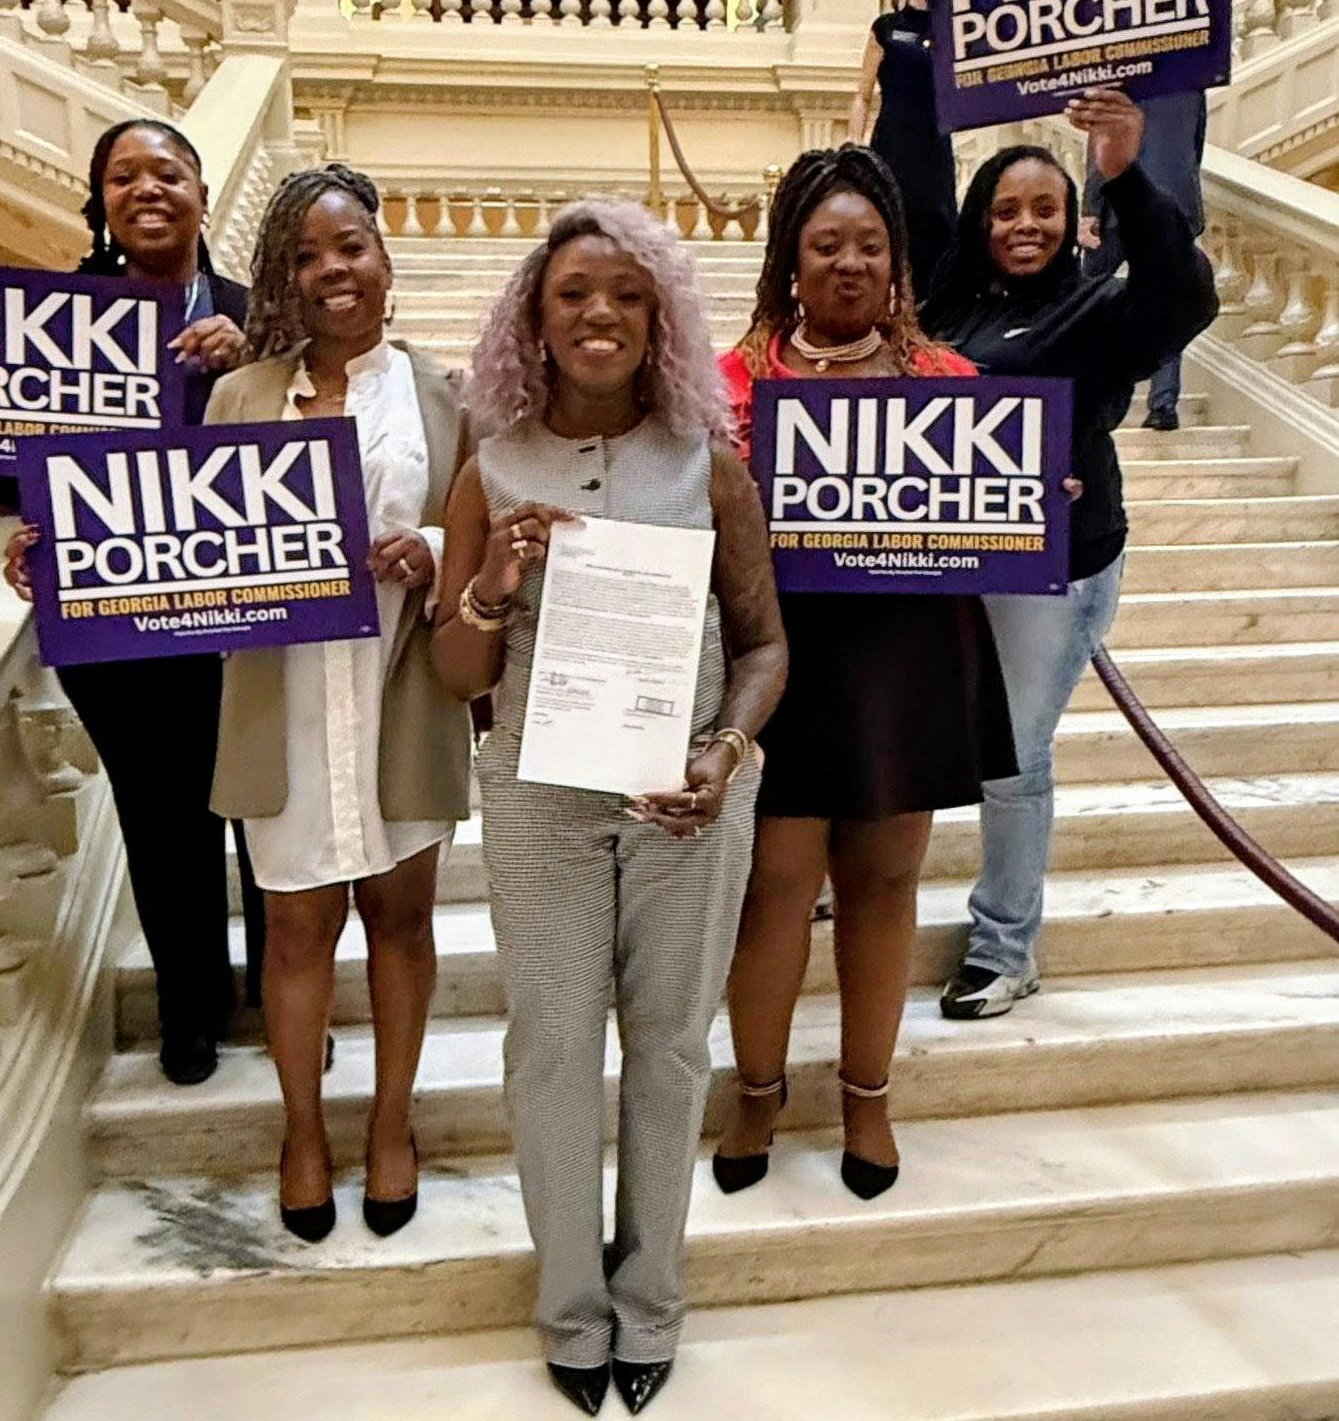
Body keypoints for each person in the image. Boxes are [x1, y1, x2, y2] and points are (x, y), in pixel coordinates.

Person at [432, 200, 787, 1417]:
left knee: (675, 1048)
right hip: (539, 801)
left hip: (684, 803)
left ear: (661, 321)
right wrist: (489, 584)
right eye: (576, 292)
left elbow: (765, 644)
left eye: (629, 296)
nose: (601, 314)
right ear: (535, 314)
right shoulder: (491, 461)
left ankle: (653, 1303)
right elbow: (453, 674)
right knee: (550, 1052)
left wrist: (726, 752)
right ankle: (570, 1308)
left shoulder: (710, 463)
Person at [0, 118, 263, 1087]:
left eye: (167, 171)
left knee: (263, 818)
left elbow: (322, 432)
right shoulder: (52, 326)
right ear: (102, 203)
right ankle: (189, 1007)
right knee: (162, 817)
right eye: (123, 176)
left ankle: (278, 996)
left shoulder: (257, 316)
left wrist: (251, 359)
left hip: (250, 614)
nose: (147, 188)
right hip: (116, 621)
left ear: (202, 191)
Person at [711, 146, 1017, 1205]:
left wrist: (1034, 489)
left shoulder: (952, 385)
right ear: (791, 262)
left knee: (886, 886)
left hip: (910, 662)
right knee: (775, 890)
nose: (850, 263)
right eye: (826, 244)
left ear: (897, 264)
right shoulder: (734, 385)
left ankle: (867, 1094)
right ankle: (757, 1088)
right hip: (785, 665)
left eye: (870, 246)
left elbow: (999, 518)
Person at [206, 165, 472, 1245]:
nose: (333, 269)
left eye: (351, 244)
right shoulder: (238, 398)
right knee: (295, 924)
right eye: (309, 254)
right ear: (283, 274)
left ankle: (393, 1125)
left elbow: (486, 527)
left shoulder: (439, 392)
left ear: (384, 255)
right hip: (283, 699)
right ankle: (303, 1130)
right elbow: (184, 541)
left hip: (399, 688)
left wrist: (438, 548)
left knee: (401, 919)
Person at [922, 88, 1219, 1019]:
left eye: (1045, 209)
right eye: (1007, 210)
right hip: (956, 564)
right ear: (982, 221)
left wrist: (1128, 177)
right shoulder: (944, 314)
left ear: (1073, 219)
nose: (1025, 225)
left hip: (1062, 565)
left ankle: (1005, 947)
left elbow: (1185, 299)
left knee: (1014, 755)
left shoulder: (1100, 309)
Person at [1081, 90, 1208, 431]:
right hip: (1172, 206)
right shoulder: (1192, 86)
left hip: (1117, 205)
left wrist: (1090, 207)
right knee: (1168, 302)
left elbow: (1100, 148)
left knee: (1087, 299)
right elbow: (1196, 145)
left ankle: (1088, 394)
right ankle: (1164, 405)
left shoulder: (1123, 78)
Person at [849, 0, 957, 300]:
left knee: (936, 229)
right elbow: (863, 95)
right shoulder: (885, 27)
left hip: (934, 145)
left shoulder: (951, 28)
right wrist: (854, 146)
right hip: (893, 142)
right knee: (890, 224)